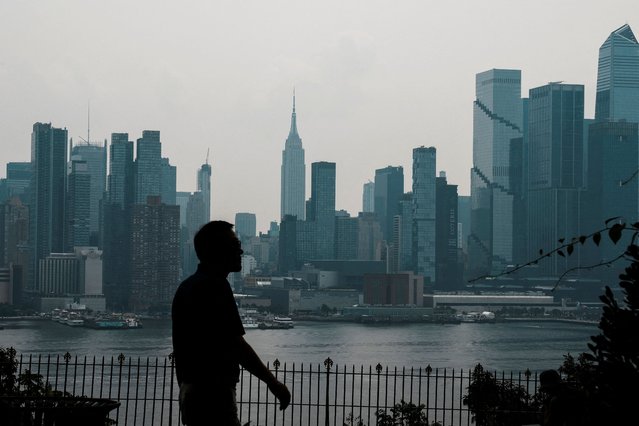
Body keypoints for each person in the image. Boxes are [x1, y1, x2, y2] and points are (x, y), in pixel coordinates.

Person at [172, 220, 291, 425]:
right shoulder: (215, 286)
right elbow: (235, 344)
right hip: (212, 394)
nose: (241, 251)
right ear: (217, 251)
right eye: (235, 246)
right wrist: (273, 383)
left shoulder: (187, 287)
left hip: (192, 391)